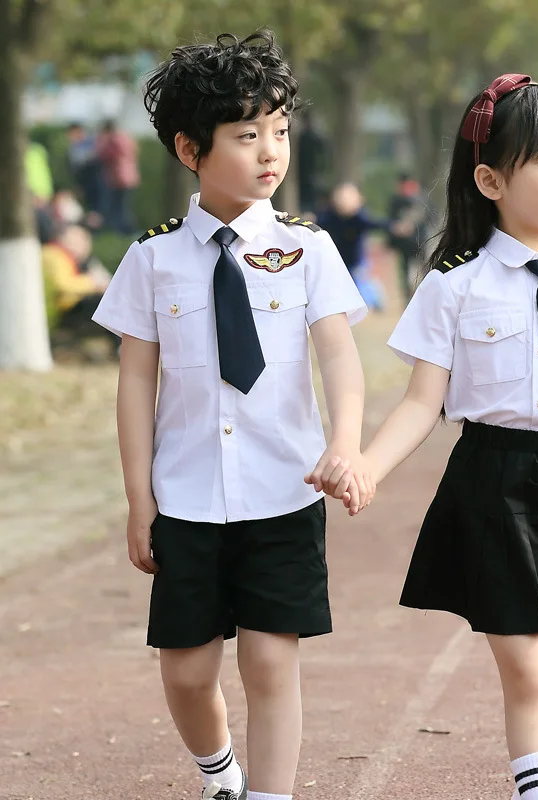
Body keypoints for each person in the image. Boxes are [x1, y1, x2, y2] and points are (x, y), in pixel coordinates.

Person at [308, 74, 538, 799]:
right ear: (491, 179)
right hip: (496, 484)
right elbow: (420, 404)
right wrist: (365, 466)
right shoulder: (454, 285)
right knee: (530, 670)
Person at [91, 30, 369, 800]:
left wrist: (345, 445)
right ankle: (221, 775)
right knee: (185, 671)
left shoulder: (308, 250)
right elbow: (134, 383)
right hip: (185, 498)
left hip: (285, 490)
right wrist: (139, 501)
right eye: (247, 136)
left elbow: (340, 360)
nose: (270, 151)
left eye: (278, 132)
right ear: (190, 148)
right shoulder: (152, 259)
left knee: (272, 662)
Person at [316, 182, 389, 310]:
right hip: (338, 260)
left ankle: (376, 298)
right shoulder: (330, 217)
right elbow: (317, 223)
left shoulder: (359, 218)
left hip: (357, 261)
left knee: (359, 285)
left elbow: (376, 223)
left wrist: (395, 226)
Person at [387, 173, 429, 303]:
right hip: (404, 242)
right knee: (405, 270)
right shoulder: (395, 200)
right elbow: (391, 221)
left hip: (419, 240)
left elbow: (427, 218)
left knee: (423, 268)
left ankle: (424, 293)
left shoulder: (420, 199)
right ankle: (407, 297)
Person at [97, 120, 141, 234]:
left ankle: (123, 230)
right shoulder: (126, 138)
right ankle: (125, 229)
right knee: (124, 205)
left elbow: (103, 155)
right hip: (129, 176)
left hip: (119, 178)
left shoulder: (113, 140)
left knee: (119, 206)